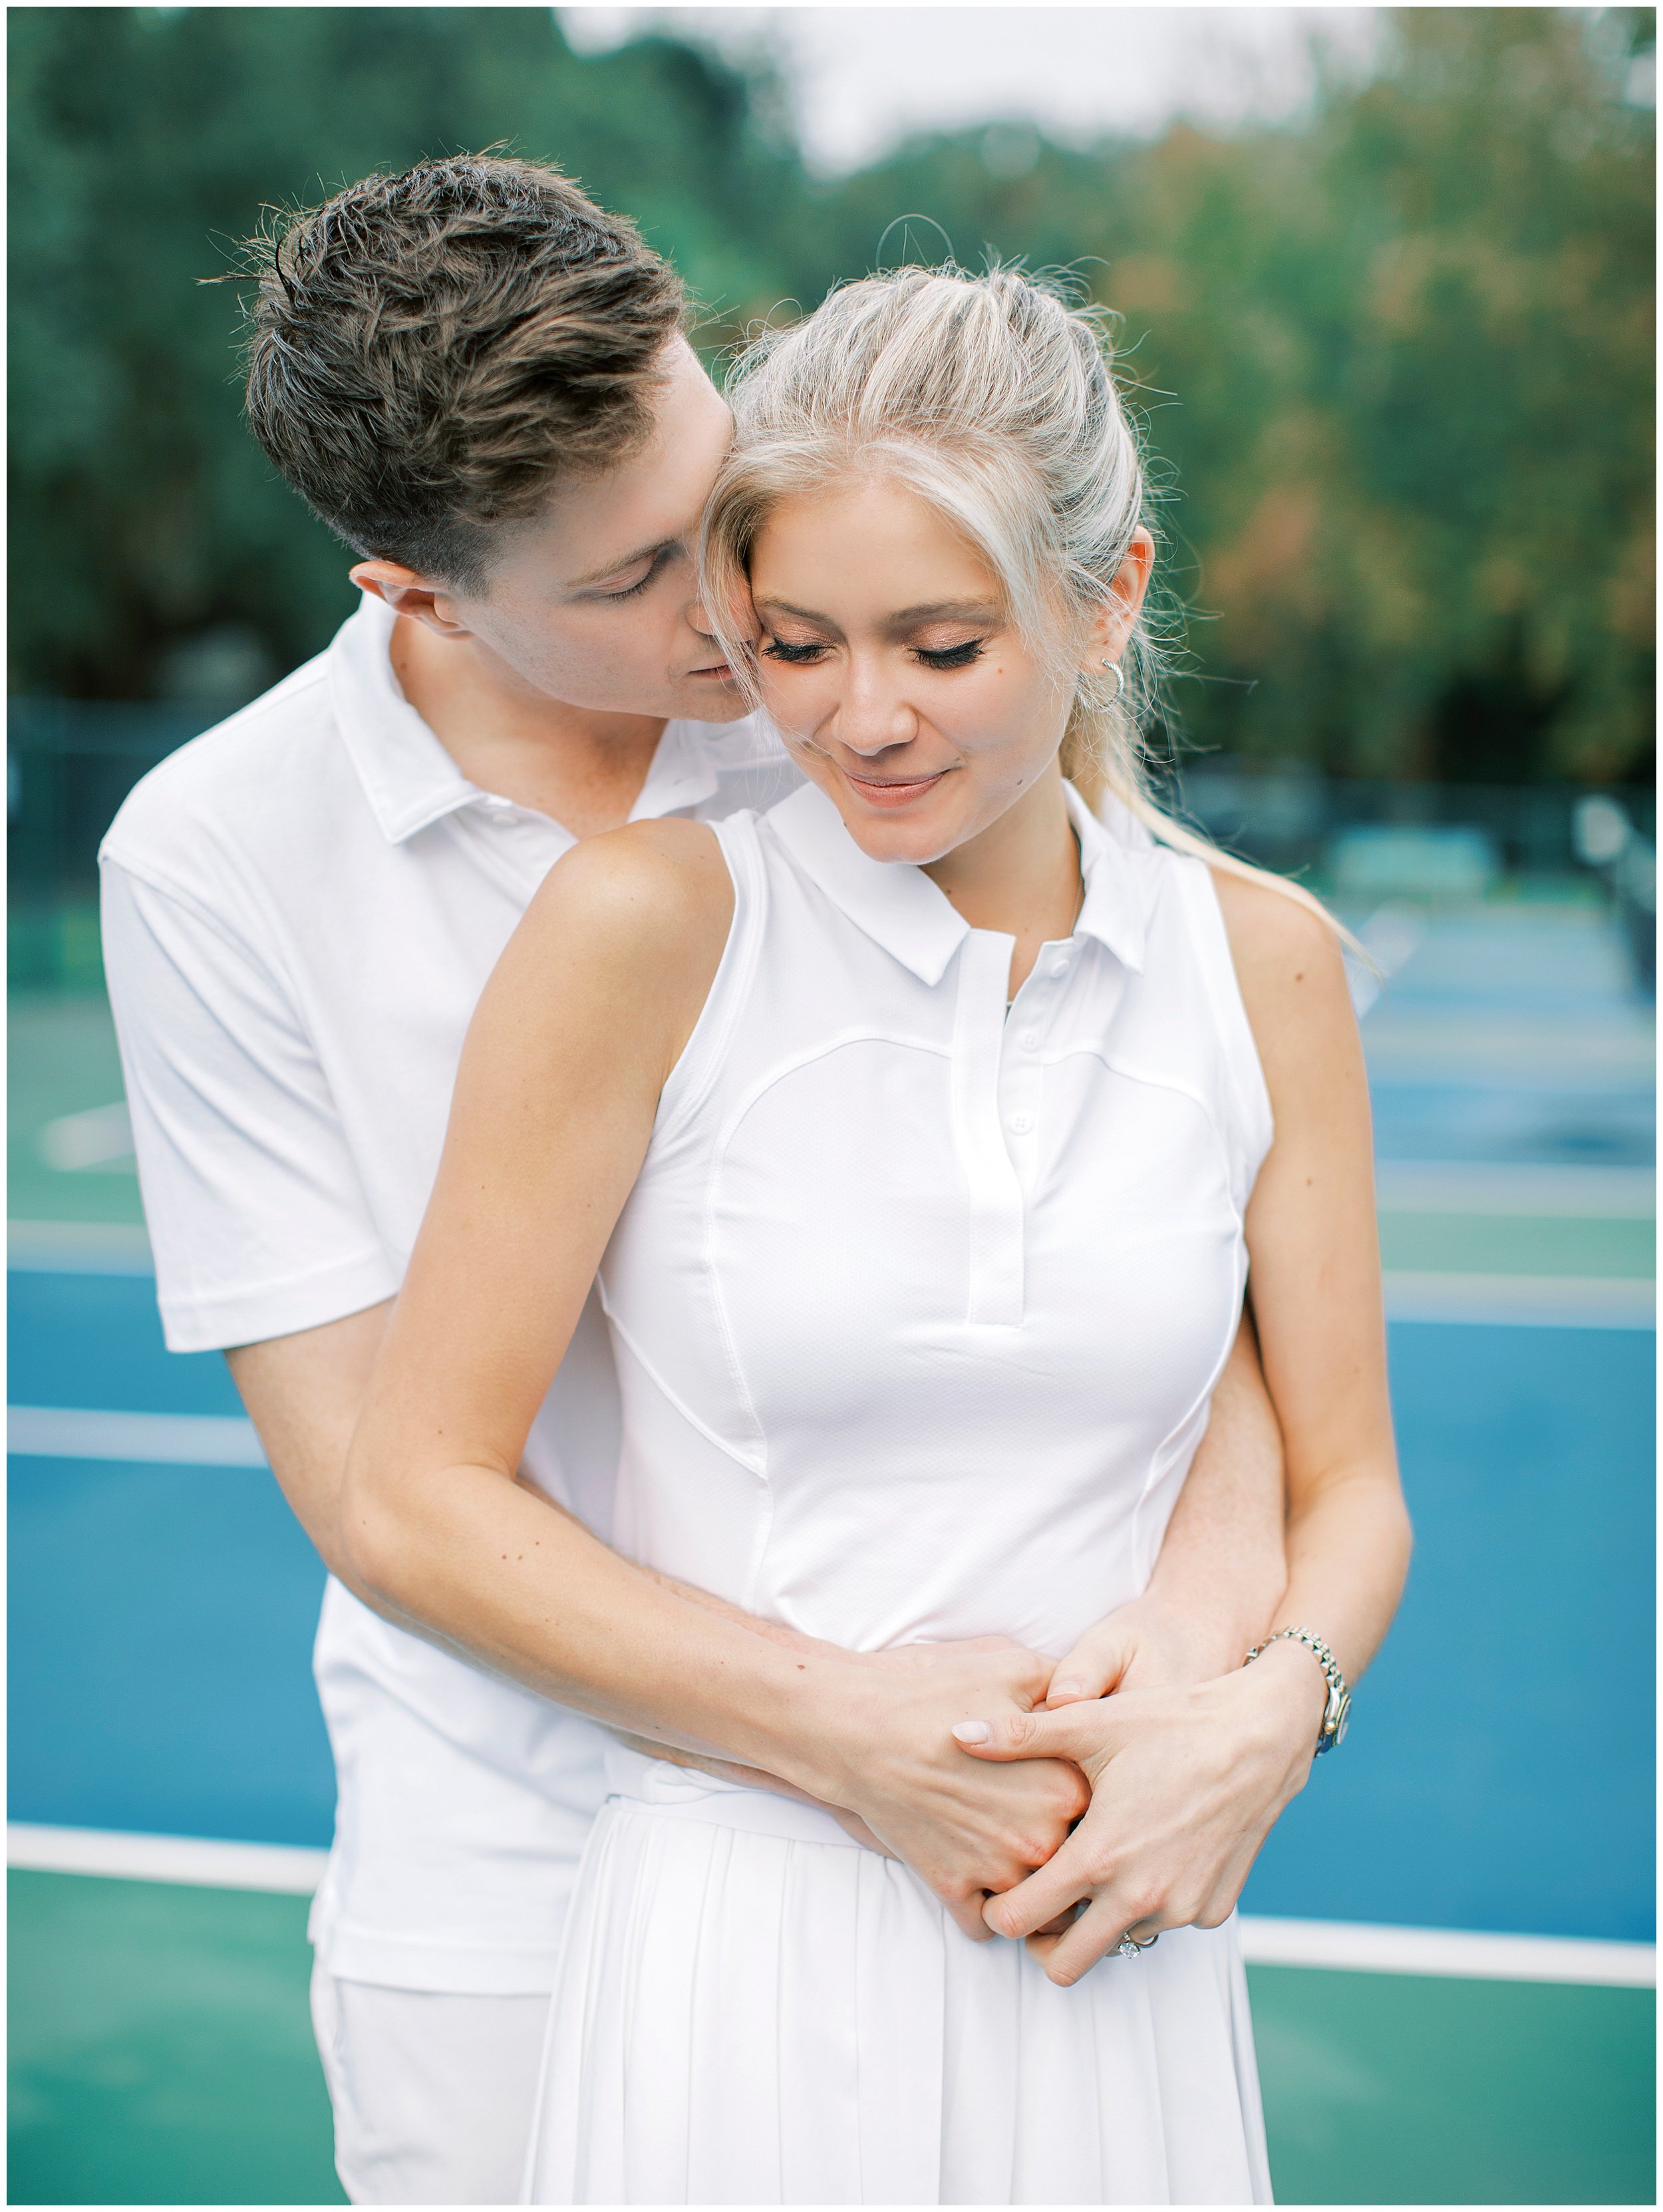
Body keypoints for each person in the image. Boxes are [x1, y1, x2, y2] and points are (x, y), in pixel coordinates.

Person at [102, 160, 1289, 2207]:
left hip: (991, 1856)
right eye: (635, 583)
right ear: (416, 586)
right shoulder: (215, 859)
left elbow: (1182, 1236)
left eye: (711, 493)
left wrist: (1241, 1685)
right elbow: (383, 1501)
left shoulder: (859, 693)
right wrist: (838, 1736)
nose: (732, 616)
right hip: (507, 1880)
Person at [340, 265, 1412, 2205]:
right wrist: (852, 1739)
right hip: (742, 1946)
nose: (861, 717)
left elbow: (1351, 1493)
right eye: (798, 643)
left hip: (1116, 1962)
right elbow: (416, 1490)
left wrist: (1268, 1713)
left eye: (940, 644)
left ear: (1107, 598)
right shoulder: (644, 925)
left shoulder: (1264, 967)